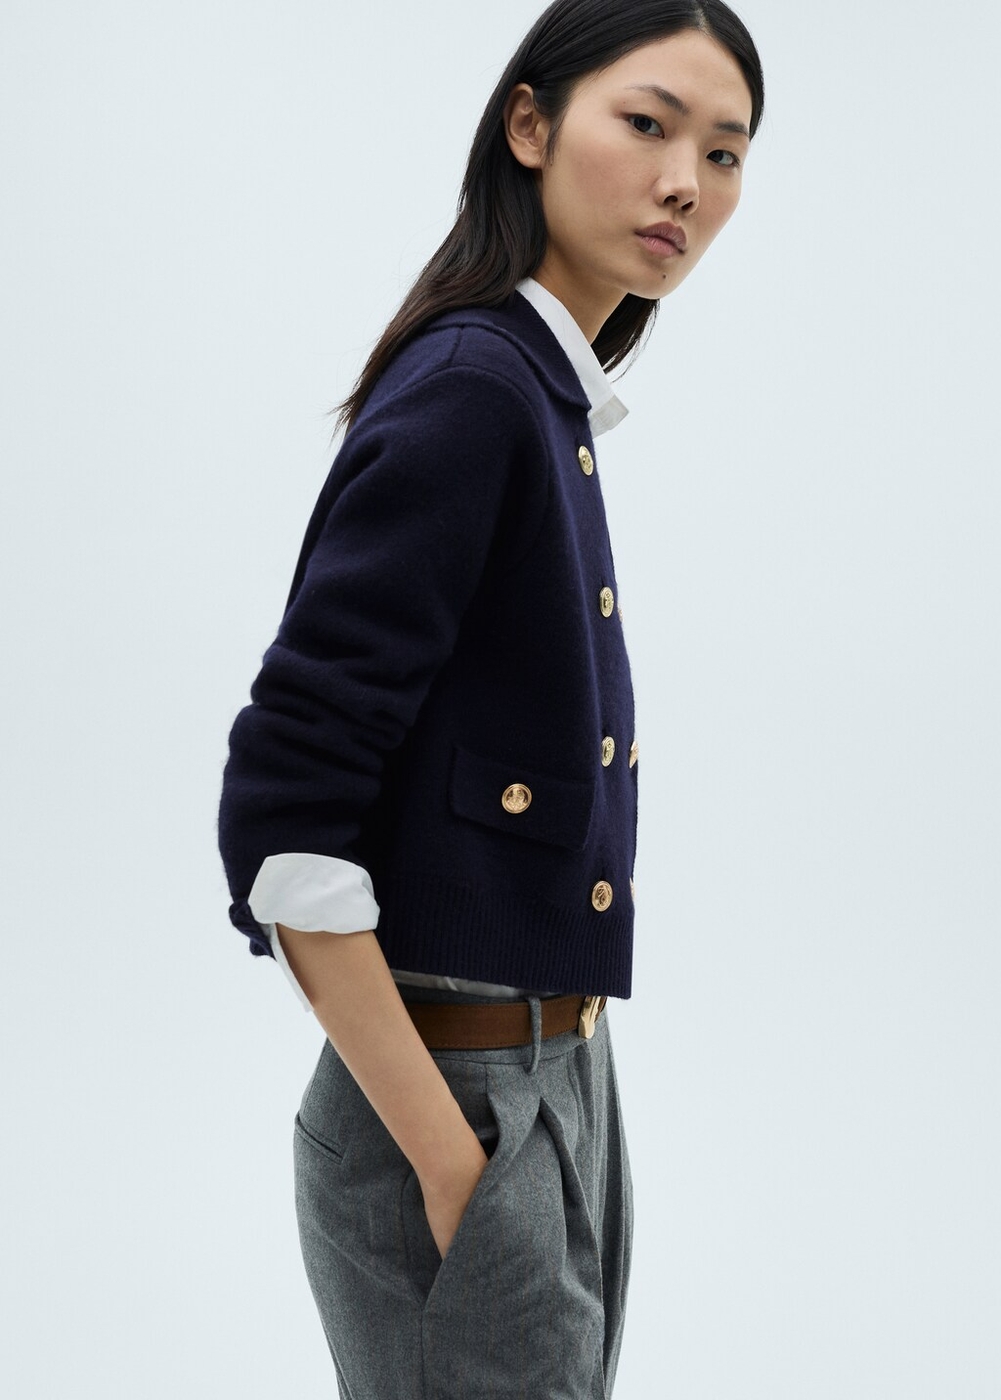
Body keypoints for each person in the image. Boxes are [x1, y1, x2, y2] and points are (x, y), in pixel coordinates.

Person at [219, 1, 764, 1394]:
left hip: (552, 1080)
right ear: (528, 125)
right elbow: (286, 817)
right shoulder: (477, 390)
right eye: (646, 124)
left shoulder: (534, 394)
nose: (684, 184)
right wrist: (452, 1160)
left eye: (723, 152)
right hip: (463, 1099)